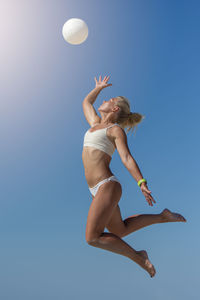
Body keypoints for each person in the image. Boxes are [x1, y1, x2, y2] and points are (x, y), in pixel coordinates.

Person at [82, 75, 186, 278]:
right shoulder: (94, 123)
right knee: (119, 230)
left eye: (109, 99)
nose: (104, 100)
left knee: (92, 237)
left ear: (115, 109)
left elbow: (127, 158)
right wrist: (98, 88)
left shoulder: (115, 130)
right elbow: (87, 102)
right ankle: (162, 217)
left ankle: (139, 257)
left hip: (107, 186)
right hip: (96, 190)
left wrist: (141, 182)